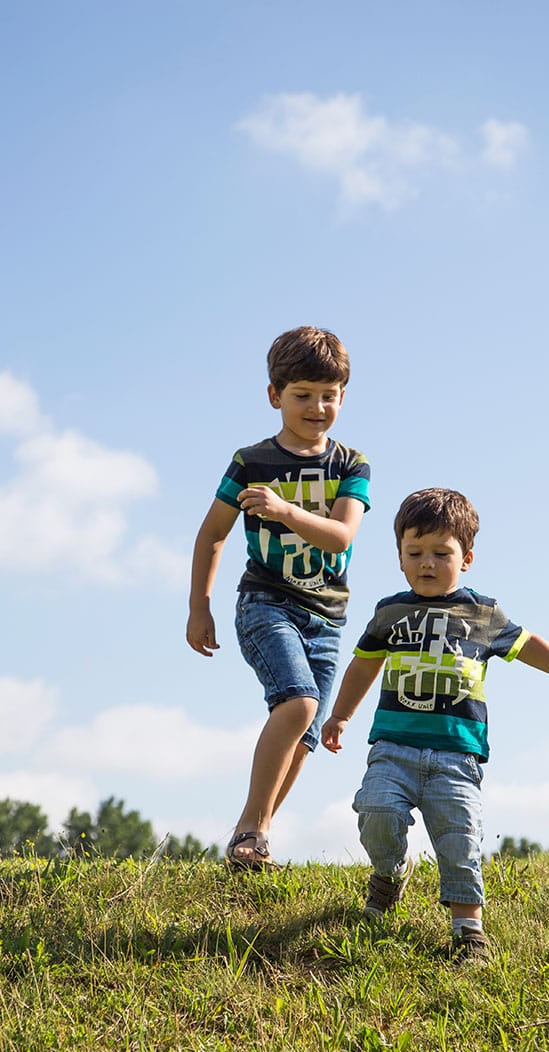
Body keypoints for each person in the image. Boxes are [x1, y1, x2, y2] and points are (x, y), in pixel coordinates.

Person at [321, 487, 549, 960]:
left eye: (440, 553)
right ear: (400, 559)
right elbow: (364, 664)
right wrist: (342, 714)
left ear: (466, 558)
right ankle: (388, 875)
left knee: (460, 836)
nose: (427, 563)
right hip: (393, 747)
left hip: (457, 755)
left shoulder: (483, 615)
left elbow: (528, 645)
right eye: (415, 553)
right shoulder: (390, 613)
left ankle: (468, 930)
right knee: (377, 812)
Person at [187, 326, 371, 869]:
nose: (317, 407)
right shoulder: (250, 462)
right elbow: (212, 533)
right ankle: (249, 825)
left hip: (328, 616)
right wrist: (201, 605)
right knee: (299, 703)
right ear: (275, 395)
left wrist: (285, 511)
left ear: (342, 396)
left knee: (307, 734)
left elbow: (341, 535)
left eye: (328, 396)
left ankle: (256, 838)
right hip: (266, 603)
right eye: (302, 395)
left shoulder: (351, 465)